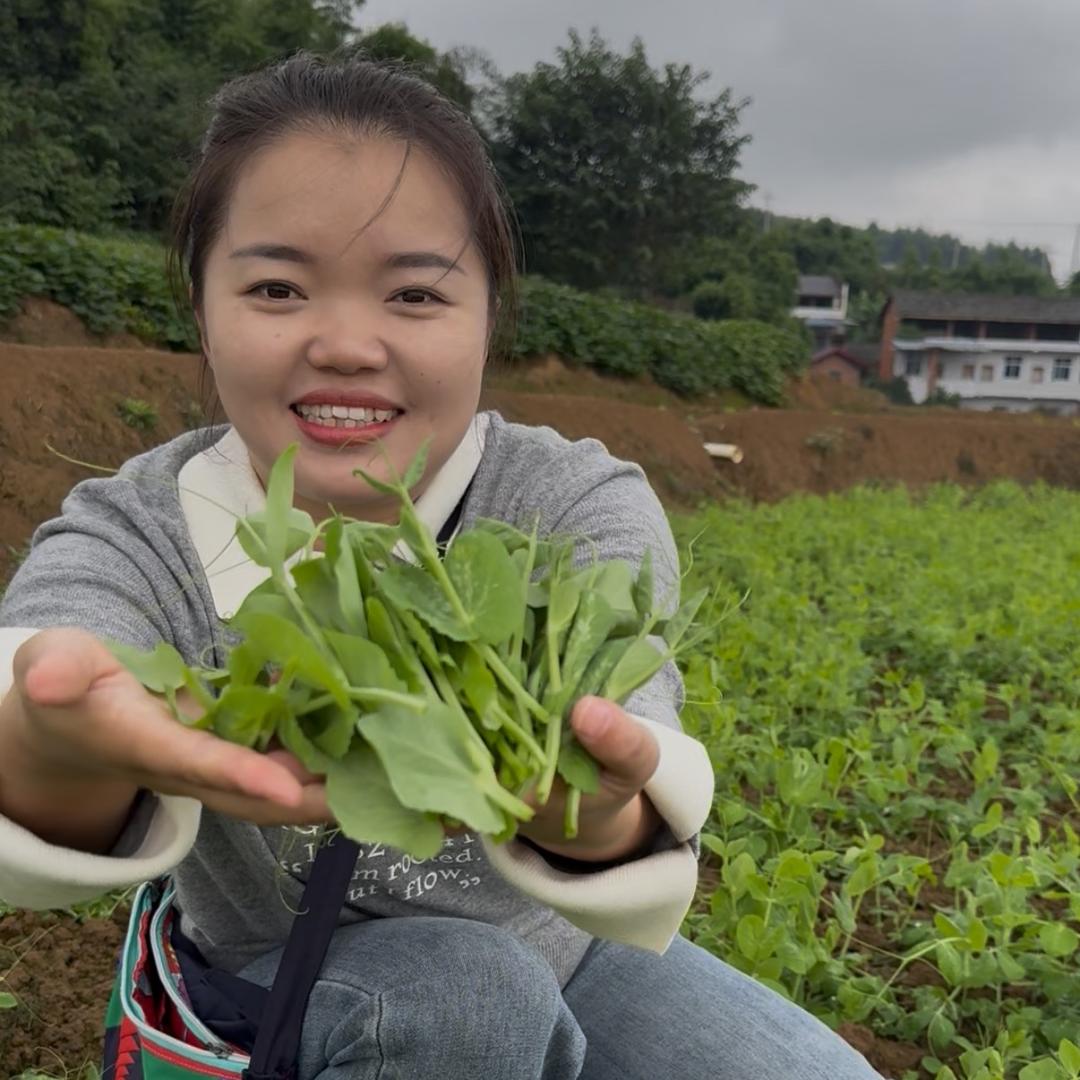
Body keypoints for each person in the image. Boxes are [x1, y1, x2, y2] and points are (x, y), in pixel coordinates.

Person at [0, 53, 879, 1080]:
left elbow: (635, 752)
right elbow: (40, 662)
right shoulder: (140, 526)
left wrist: (588, 806)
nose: (344, 343)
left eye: (415, 294)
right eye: (277, 286)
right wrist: (52, 741)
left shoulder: (567, 502)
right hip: (273, 985)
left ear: (490, 318)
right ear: (200, 306)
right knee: (462, 997)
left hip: (564, 954)